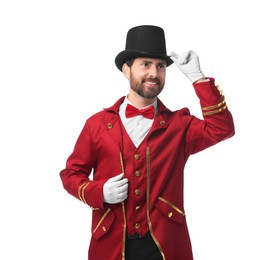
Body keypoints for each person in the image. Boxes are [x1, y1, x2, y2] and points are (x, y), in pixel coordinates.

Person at [59, 25, 235, 260]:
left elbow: (222, 129)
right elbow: (71, 174)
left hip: (166, 245)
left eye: (160, 66)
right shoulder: (97, 124)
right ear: (126, 70)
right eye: (146, 64)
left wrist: (198, 78)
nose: (154, 72)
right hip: (111, 244)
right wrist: (98, 191)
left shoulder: (179, 125)